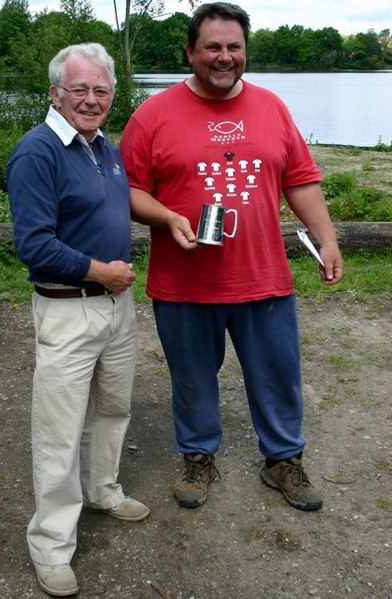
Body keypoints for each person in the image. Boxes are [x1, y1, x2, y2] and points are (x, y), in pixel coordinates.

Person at [120, 2, 344, 514]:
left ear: (245, 50)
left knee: (279, 373)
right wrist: (169, 218)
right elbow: (128, 189)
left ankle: (282, 459)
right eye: (213, 47)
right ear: (190, 51)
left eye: (234, 47)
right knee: (192, 376)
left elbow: (301, 179)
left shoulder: (272, 107)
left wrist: (326, 238)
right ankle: (198, 455)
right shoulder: (152, 115)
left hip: (263, 277)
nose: (225, 57)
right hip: (183, 284)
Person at [7, 43, 149, 597]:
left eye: (101, 90)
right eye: (79, 89)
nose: (91, 100)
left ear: (112, 95)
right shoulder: (36, 152)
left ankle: (103, 490)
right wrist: (102, 272)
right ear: (55, 94)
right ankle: (50, 543)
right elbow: (35, 246)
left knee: (113, 407)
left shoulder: (101, 147)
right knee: (58, 431)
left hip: (116, 307)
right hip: (68, 309)